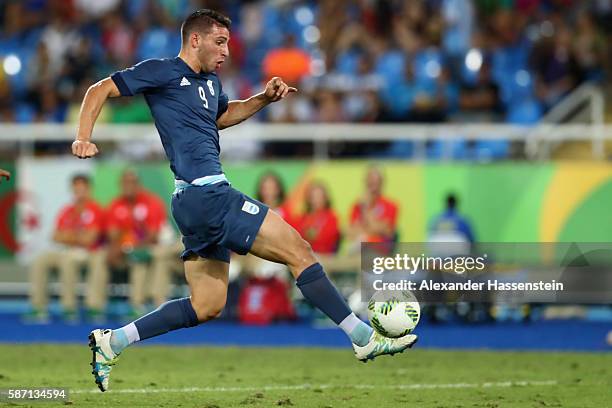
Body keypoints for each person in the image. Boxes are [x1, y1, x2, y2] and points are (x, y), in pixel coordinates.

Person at [73, 9, 416, 392]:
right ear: (195, 40)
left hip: (191, 201)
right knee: (299, 251)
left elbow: (220, 116)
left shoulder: (209, 82)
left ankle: (113, 341)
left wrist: (262, 99)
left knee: (207, 304)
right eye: (219, 42)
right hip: (208, 193)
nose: (226, 52)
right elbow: (98, 89)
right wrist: (83, 137)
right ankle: (364, 338)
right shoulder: (162, 71)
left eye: (228, 44)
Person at [87, 170, 166, 317]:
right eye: (125, 183)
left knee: (139, 259)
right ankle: (95, 306)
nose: (128, 186)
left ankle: (137, 305)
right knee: (99, 257)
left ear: (138, 185)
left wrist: (130, 246)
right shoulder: (116, 204)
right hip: (122, 251)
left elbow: (153, 235)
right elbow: (112, 234)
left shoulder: (151, 202)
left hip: (142, 249)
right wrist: (121, 247)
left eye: (132, 183)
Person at [28, 174, 106, 322]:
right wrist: (77, 236)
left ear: (89, 189)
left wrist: (69, 236)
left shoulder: (95, 209)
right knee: (41, 260)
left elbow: (90, 239)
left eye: (82, 188)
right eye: (76, 188)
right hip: (69, 251)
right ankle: (38, 307)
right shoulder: (68, 210)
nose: (79, 192)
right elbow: (55, 236)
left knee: (68, 260)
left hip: (89, 252)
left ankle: (69, 307)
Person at [347, 166, 399, 247]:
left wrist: (366, 209)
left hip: (380, 248)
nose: (372, 184)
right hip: (359, 246)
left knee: (361, 241)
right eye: (370, 180)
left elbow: (387, 232)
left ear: (381, 182)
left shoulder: (390, 205)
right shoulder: (357, 205)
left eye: (376, 181)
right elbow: (350, 233)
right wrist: (373, 229)